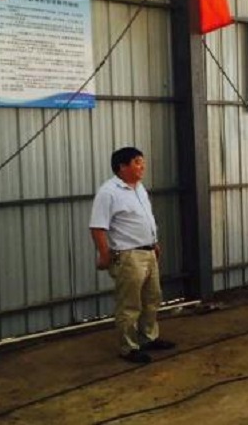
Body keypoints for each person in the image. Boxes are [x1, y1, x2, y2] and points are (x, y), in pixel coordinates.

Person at [89, 147, 175, 364]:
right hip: (129, 256)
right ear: (122, 167)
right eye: (137, 162)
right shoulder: (109, 192)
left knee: (152, 298)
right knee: (130, 304)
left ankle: (148, 337)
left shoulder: (139, 188)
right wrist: (104, 254)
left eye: (142, 161)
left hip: (148, 252)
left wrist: (154, 242)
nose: (142, 166)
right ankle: (128, 347)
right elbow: (97, 227)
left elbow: (144, 218)